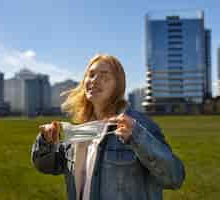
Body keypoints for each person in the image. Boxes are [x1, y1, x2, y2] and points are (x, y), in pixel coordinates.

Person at [31, 54, 185, 200]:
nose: (95, 80)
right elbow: (49, 166)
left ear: (118, 86)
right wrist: (46, 142)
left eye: (104, 76)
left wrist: (137, 137)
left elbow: (174, 178)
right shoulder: (80, 130)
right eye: (91, 75)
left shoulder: (139, 125)